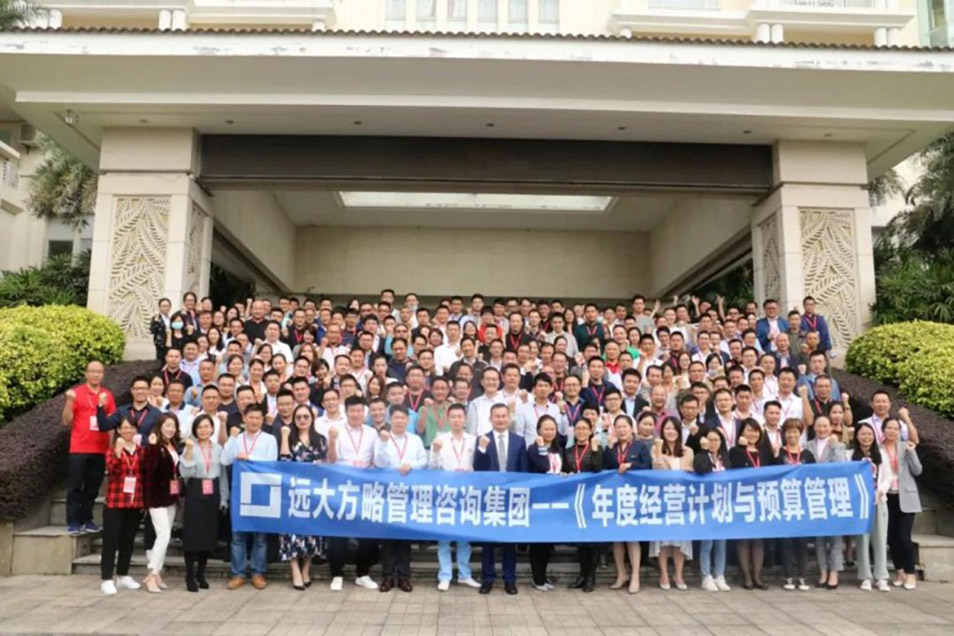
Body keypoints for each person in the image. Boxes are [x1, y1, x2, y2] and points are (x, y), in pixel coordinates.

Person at [221, 403, 279, 590]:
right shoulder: (237, 439)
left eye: (258, 418)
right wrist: (232, 438)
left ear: (263, 420)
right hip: (240, 492)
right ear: (244, 418)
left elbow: (272, 463)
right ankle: (238, 574)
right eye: (251, 417)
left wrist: (249, 457)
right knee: (238, 536)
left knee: (260, 537)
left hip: (261, 492)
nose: (254, 421)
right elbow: (224, 460)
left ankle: (258, 573)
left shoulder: (269, 439)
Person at [474, 403, 529, 595]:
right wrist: (481, 449)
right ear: (490, 419)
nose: (500, 419)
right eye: (497, 416)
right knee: (488, 541)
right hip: (490, 497)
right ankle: (487, 579)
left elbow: (523, 470)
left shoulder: (519, 441)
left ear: (509, 418)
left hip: (511, 498)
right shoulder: (483, 439)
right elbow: (477, 468)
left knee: (509, 540)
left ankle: (509, 580)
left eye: (504, 416)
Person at [279, 404, 336, 590]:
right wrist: (285, 436)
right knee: (291, 532)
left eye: (306, 417)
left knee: (312, 532)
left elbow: (329, 461)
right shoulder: (290, 437)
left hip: (314, 492)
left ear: (312, 419)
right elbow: (284, 461)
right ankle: (295, 569)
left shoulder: (319, 439)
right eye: (299, 417)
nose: (302, 420)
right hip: (292, 492)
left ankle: (306, 570)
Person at [328, 396, 380, 592]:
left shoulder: (372, 433)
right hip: (342, 486)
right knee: (339, 532)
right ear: (346, 412)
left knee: (366, 533)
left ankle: (363, 574)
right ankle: (337, 574)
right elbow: (331, 460)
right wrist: (332, 440)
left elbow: (376, 460)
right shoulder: (337, 430)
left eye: (360, 411)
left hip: (365, 488)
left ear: (364, 412)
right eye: (353, 411)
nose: (356, 414)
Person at [374, 405, 428, 593]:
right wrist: (382, 443)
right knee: (388, 537)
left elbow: (424, 461)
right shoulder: (382, 438)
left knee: (404, 537)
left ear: (408, 420)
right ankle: (388, 577)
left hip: (408, 495)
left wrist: (410, 465)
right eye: (396, 418)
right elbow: (379, 463)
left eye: (402, 418)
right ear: (390, 420)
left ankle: (404, 577)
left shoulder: (415, 440)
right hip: (387, 494)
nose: (399, 421)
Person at [429, 403, 481, 591]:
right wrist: (435, 451)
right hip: (447, 493)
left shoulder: (474, 440)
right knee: (444, 537)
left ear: (465, 419)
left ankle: (464, 575)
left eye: (460, 416)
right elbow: (433, 468)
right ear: (448, 419)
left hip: (467, 493)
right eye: (453, 417)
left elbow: (480, 465)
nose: (457, 420)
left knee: (464, 536)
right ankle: (445, 575)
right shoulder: (440, 439)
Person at [62, 360, 116, 536]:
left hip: (99, 449)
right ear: (86, 374)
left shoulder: (107, 395)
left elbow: (111, 424)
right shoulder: (76, 393)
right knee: (74, 487)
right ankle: (72, 521)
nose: (96, 375)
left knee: (92, 488)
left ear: (103, 374)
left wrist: (110, 447)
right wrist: (69, 401)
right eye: (92, 371)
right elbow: (66, 421)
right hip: (79, 448)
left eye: (99, 372)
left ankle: (87, 519)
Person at [179, 414, 228, 593]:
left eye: (207, 427)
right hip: (195, 490)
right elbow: (186, 474)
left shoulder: (218, 449)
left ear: (212, 429)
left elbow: (223, 475)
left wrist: (223, 498)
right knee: (193, 535)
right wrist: (189, 453)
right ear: (195, 430)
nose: (204, 430)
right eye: (200, 427)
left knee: (208, 535)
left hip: (212, 491)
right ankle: (189, 574)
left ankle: (201, 573)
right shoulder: (190, 446)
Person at [603, 414, 651, 594]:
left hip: (633, 497)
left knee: (632, 537)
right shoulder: (612, 447)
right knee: (617, 538)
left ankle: (635, 575)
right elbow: (606, 468)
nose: (622, 430)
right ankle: (621, 574)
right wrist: (608, 448)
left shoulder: (640, 446)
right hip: (615, 496)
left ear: (632, 429)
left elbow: (648, 467)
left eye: (625, 426)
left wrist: (631, 465)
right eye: (619, 427)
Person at [100, 418, 145, 596]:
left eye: (131, 428)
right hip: (115, 501)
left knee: (128, 540)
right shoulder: (112, 450)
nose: (128, 431)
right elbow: (112, 470)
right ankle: (106, 579)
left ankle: (123, 574)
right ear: (118, 430)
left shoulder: (141, 451)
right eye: (125, 428)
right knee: (110, 541)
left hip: (134, 502)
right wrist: (118, 452)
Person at [728, 417, 773, 590]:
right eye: (748, 430)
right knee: (743, 538)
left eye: (755, 431)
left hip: (761, 498)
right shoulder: (735, 451)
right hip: (742, 497)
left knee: (758, 539)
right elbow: (734, 467)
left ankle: (757, 576)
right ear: (742, 432)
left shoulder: (765, 451)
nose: (752, 434)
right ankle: (746, 576)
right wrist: (742, 448)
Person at [650, 417, 694, 590]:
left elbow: (692, 472)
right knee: (663, 538)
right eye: (667, 428)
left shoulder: (688, 451)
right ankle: (663, 574)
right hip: (662, 499)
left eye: (674, 428)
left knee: (680, 538)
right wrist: (659, 449)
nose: (671, 432)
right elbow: (657, 469)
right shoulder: (656, 449)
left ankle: (678, 574)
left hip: (682, 500)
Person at [805, 415, 847, 589]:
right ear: (814, 427)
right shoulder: (807, 446)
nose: (822, 429)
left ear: (831, 427)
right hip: (815, 495)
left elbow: (841, 466)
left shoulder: (839, 445)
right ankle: (823, 570)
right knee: (819, 537)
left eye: (825, 426)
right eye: (819, 426)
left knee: (835, 537)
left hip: (833, 494)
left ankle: (834, 571)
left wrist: (835, 445)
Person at [142, 413, 182, 593]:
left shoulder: (173, 445)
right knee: (163, 534)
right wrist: (151, 447)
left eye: (173, 426)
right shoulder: (154, 445)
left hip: (170, 496)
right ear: (160, 427)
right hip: (156, 496)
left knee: (165, 535)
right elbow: (150, 469)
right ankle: (151, 574)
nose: (170, 429)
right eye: (167, 425)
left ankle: (157, 573)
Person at [881, 417, 923, 590]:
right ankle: (899, 571)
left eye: (895, 429)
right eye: (889, 428)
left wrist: (911, 452)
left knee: (904, 537)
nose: (892, 431)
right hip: (887, 497)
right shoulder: (878, 449)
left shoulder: (906, 447)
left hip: (906, 497)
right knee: (891, 537)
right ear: (883, 430)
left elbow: (918, 470)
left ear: (899, 432)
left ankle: (910, 573)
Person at [563, 417, 603, 592]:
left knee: (592, 540)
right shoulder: (568, 451)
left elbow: (597, 468)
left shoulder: (597, 448)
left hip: (592, 498)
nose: (581, 432)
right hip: (576, 498)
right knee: (580, 540)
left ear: (590, 430)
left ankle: (591, 577)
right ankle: (582, 575)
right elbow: (565, 470)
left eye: (584, 428)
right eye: (578, 428)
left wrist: (594, 449)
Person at [774, 418, 815, 592]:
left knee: (802, 541)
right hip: (784, 502)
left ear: (800, 433)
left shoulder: (807, 455)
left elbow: (814, 475)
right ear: (784, 434)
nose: (792, 435)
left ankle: (803, 576)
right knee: (787, 541)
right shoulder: (779, 454)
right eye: (789, 431)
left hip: (802, 503)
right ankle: (788, 576)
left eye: (795, 431)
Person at [852, 421, 891, 593]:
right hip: (859, 504)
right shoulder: (850, 455)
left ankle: (881, 576)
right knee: (862, 540)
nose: (866, 437)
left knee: (880, 539)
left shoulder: (881, 454)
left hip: (878, 501)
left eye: (869, 434)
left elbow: (887, 478)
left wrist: (880, 491)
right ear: (856, 436)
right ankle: (865, 576)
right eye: (862, 434)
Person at [694, 427, 731, 592]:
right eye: (710, 440)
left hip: (723, 504)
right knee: (707, 542)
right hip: (706, 505)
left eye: (716, 440)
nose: (713, 443)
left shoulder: (725, 458)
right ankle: (706, 576)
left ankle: (719, 575)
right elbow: (701, 469)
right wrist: (703, 450)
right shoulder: (700, 456)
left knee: (721, 542)